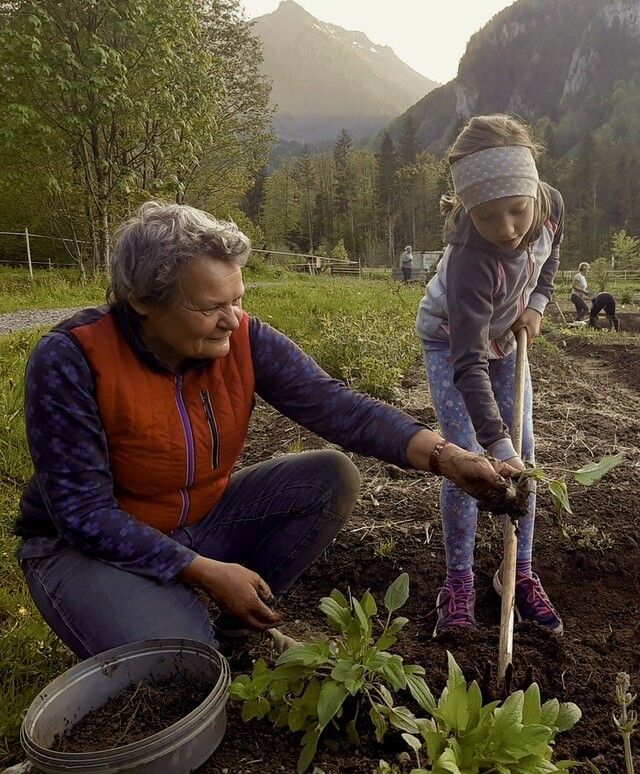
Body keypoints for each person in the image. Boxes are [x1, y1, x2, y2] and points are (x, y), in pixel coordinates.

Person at [15, 202, 521, 659]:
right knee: (184, 662)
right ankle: (179, 615)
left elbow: (337, 406)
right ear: (143, 301)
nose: (231, 320)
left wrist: (446, 456)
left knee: (329, 478)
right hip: (85, 549)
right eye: (210, 307)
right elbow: (83, 515)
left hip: (199, 520)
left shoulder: (243, 338)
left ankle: (229, 620)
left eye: (236, 298)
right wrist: (204, 571)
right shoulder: (72, 360)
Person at [416, 114, 565, 637]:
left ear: (533, 194)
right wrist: (493, 446)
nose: (506, 229)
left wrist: (538, 304)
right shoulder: (469, 263)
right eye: (487, 218)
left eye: (516, 211)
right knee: (464, 453)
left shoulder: (549, 207)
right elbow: (468, 362)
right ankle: (458, 579)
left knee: (523, 450)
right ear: (466, 211)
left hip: (505, 336)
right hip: (453, 342)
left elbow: (549, 261)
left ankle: (518, 572)